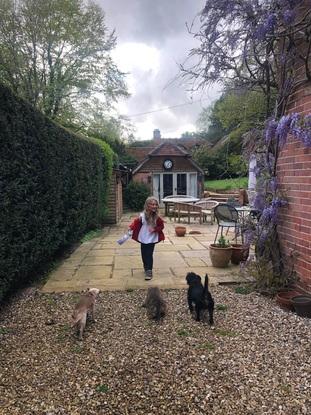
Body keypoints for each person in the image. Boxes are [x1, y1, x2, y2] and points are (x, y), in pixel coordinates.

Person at [129, 196, 165, 280]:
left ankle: (149, 270)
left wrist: (155, 229)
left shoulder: (157, 217)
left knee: (149, 254)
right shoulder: (142, 215)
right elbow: (135, 223)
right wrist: (131, 227)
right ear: (147, 205)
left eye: (155, 204)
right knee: (144, 254)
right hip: (143, 237)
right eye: (152, 204)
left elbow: (161, 226)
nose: (154, 206)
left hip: (152, 238)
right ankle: (146, 267)